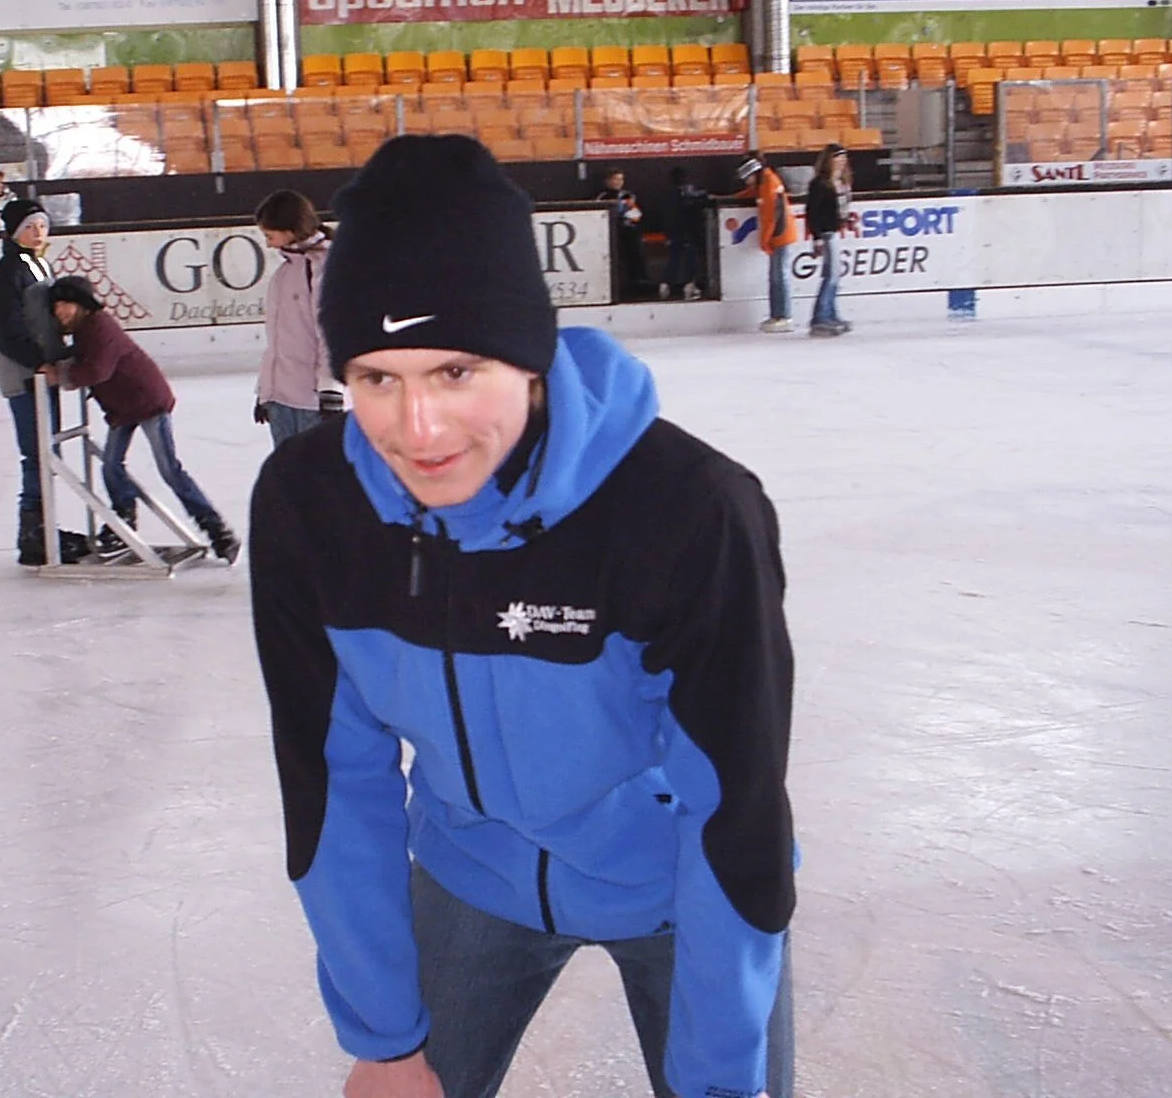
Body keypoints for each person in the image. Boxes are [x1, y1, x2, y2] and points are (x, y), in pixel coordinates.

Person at [249, 135, 796, 1098]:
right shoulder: (313, 507)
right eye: (378, 378)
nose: (418, 432)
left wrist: (720, 1080)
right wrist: (384, 1040)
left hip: (677, 881)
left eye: (456, 372)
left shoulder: (686, 510)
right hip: (469, 873)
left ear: (530, 358)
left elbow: (734, 807)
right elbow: (335, 779)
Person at [45, 275, 240, 564]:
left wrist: (60, 375)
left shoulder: (99, 326)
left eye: (65, 305)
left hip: (147, 402)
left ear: (81, 304)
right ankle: (123, 521)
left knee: (169, 469)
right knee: (111, 466)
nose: (60, 312)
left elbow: (98, 370)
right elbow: (87, 361)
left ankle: (217, 529)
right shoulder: (86, 329)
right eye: (56, 307)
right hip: (124, 406)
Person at [0, 198, 91, 566]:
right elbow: (4, 327)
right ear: (15, 232)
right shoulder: (7, 272)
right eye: (30, 227)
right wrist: (37, 360)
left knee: (49, 453)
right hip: (26, 375)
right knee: (37, 454)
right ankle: (32, 535)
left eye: (42, 225)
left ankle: (44, 528)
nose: (39, 232)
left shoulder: (38, 263)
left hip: (44, 374)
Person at [253, 189, 342, 448]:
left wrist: (331, 388)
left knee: (319, 481)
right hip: (281, 401)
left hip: (313, 401)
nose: (268, 243)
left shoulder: (323, 267)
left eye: (270, 235)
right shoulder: (284, 273)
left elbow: (330, 332)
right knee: (286, 482)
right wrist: (265, 391)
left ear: (290, 229)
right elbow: (277, 340)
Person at [734, 153, 800, 332]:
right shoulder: (763, 183)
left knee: (780, 276)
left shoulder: (770, 184)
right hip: (777, 235)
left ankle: (784, 316)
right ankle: (776, 315)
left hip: (781, 235)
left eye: (747, 177)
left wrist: (765, 241)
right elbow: (752, 193)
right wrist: (734, 197)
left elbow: (772, 216)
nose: (746, 181)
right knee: (775, 277)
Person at [803, 144, 853, 338]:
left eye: (843, 157)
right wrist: (816, 238)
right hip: (826, 232)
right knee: (831, 276)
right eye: (837, 157)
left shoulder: (840, 182)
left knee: (834, 276)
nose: (841, 161)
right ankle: (821, 317)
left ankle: (830, 314)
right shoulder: (819, 184)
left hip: (834, 231)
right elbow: (812, 212)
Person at [660, 166, 708, 300]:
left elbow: (666, 216)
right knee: (690, 259)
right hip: (688, 231)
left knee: (674, 259)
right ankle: (689, 286)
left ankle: (665, 284)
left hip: (674, 231)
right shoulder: (688, 193)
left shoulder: (667, 194)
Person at [596, 167, 647, 293]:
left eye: (621, 179)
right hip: (610, 233)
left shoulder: (627, 195)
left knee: (635, 247)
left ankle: (638, 281)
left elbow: (636, 214)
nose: (618, 182)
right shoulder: (602, 196)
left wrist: (629, 216)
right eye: (615, 179)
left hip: (628, 232)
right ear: (607, 181)